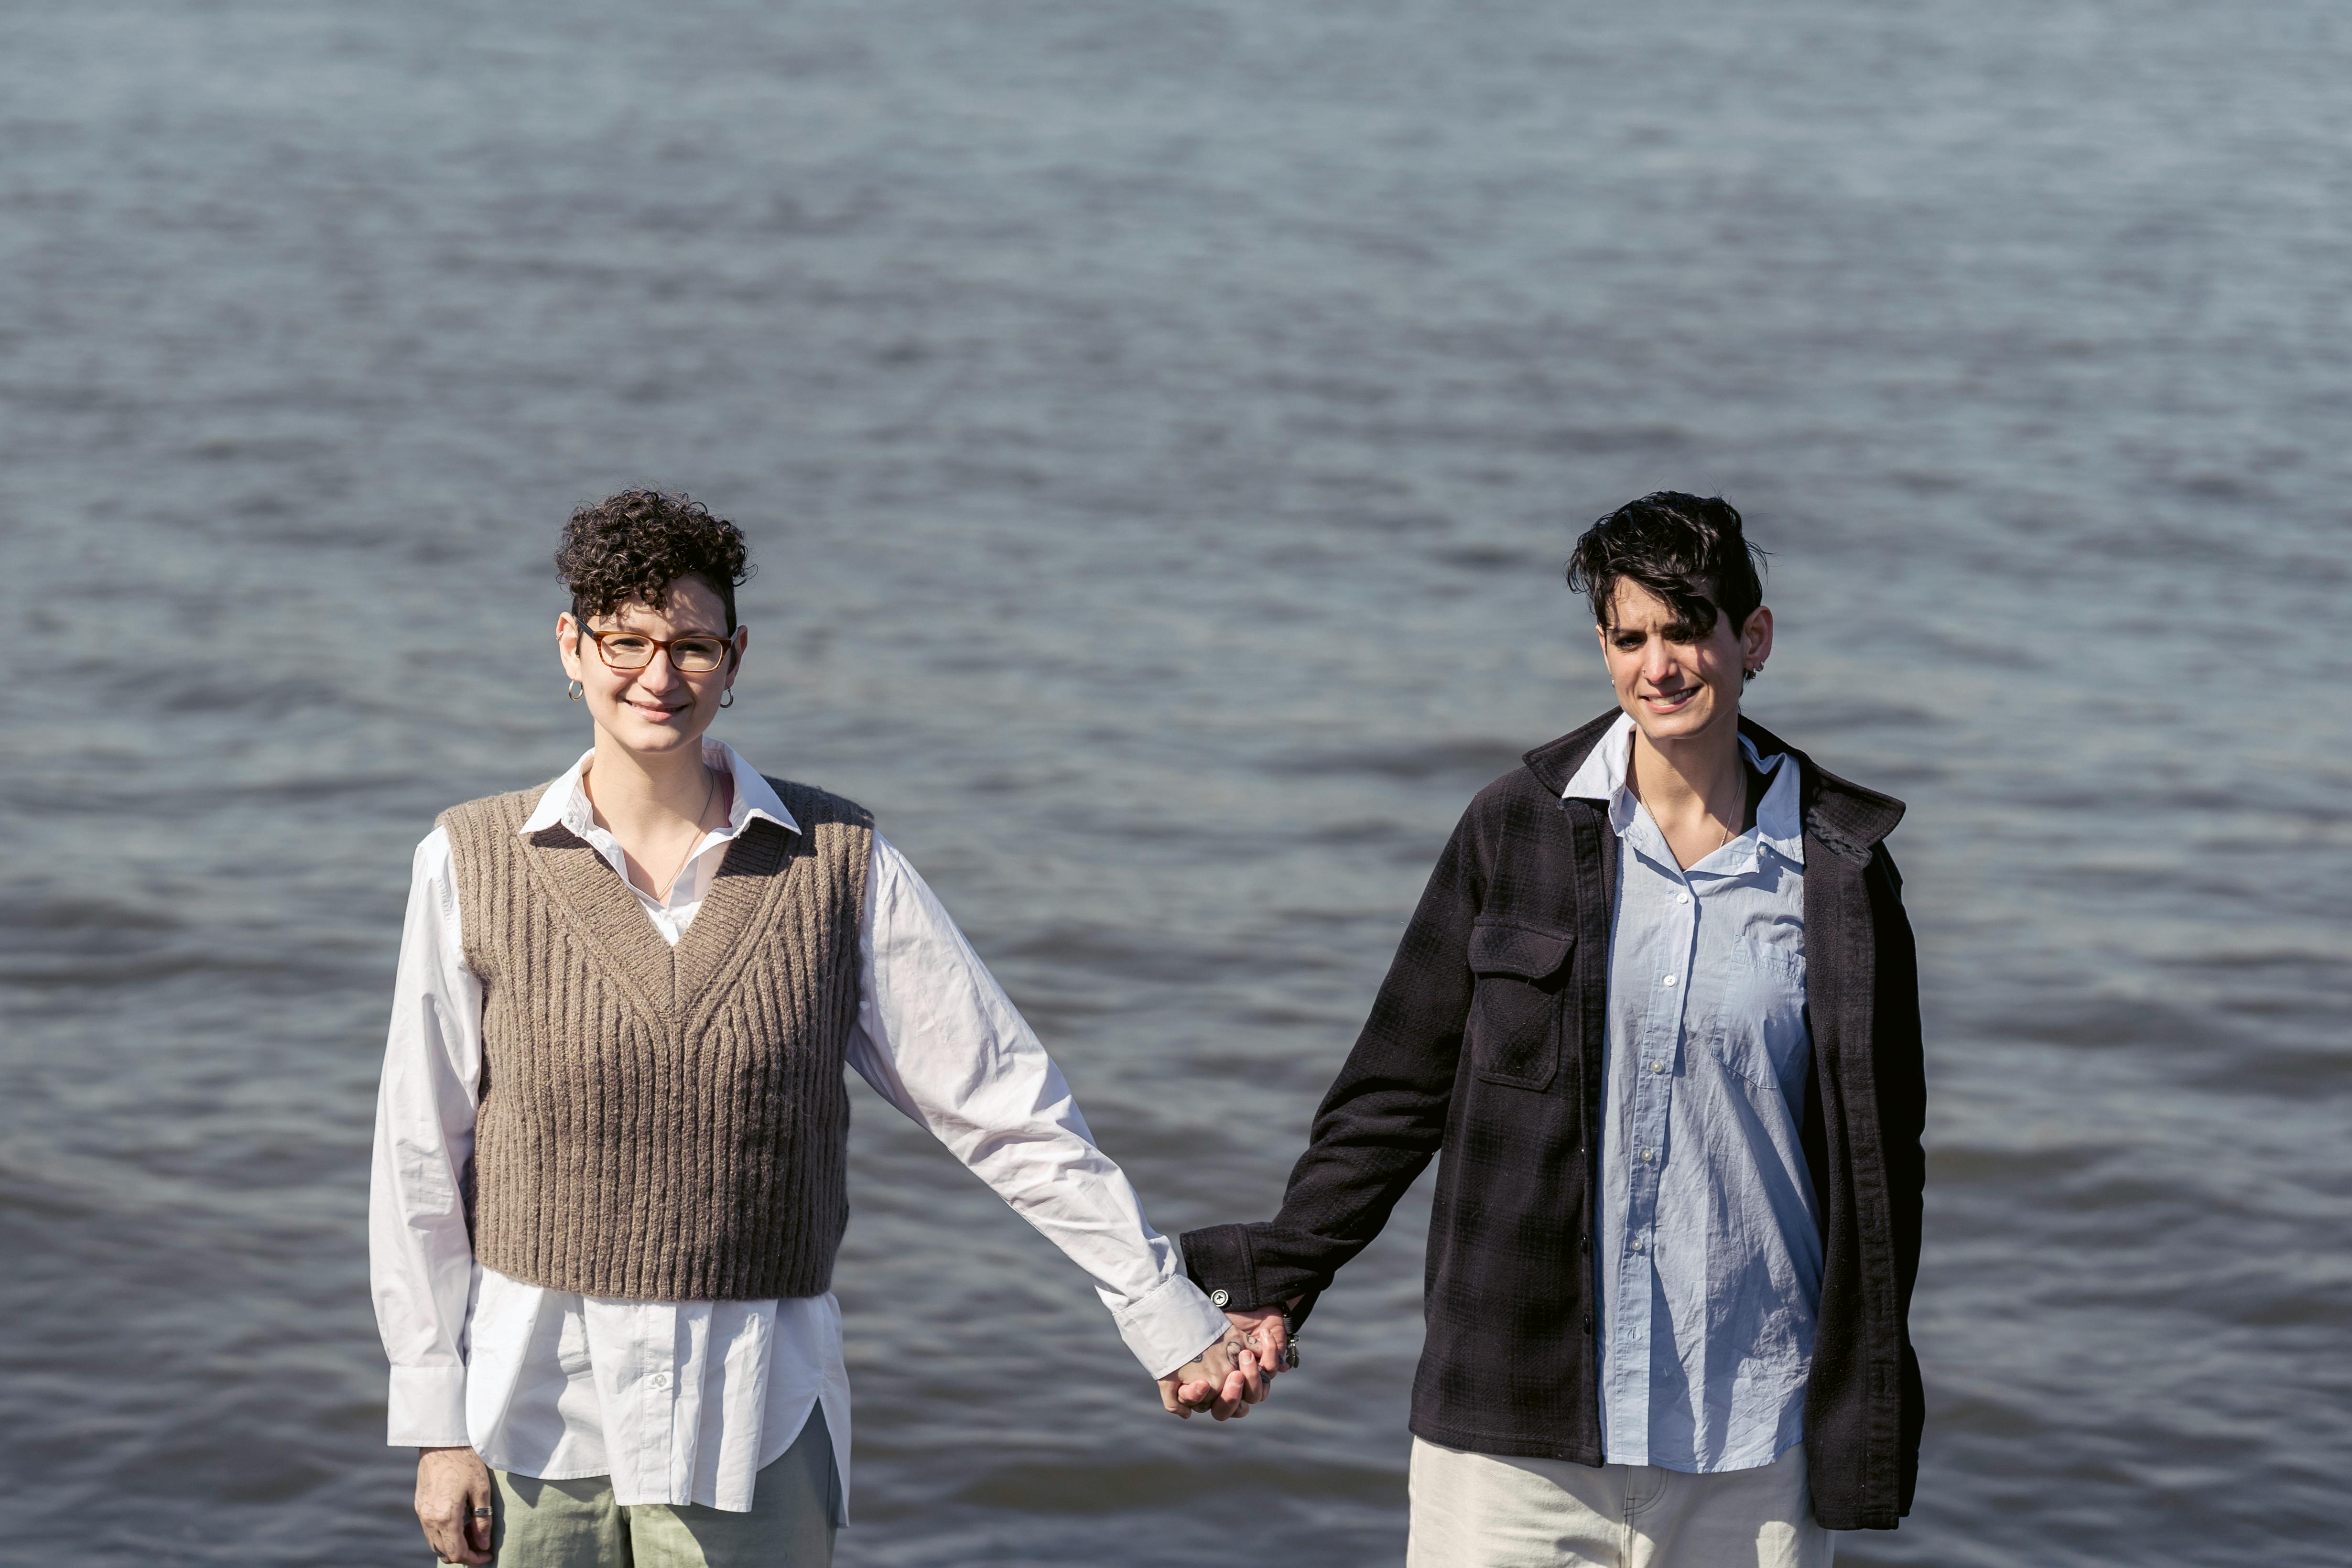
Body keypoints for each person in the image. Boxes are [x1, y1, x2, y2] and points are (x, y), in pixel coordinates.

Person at [370, 490, 1270, 1568]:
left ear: (736, 657)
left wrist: (1163, 1311)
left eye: (693, 646)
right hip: (530, 1416)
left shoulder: (838, 865)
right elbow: (421, 1158)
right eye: (626, 641)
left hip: (752, 1415)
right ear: (571, 645)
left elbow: (1002, 1108)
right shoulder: (470, 862)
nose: (659, 677)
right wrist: (435, 1425)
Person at [1184, 493, 1924, 1565]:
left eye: (1687, 628)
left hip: (1753, 1441)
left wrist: (1865, 1404)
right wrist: (1276, 1284)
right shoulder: (1513, 828)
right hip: (1513, 1433)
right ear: (1603, 647)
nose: (1659, 665)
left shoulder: (1840, 868)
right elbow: (1395, 1093)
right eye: (1630, 637)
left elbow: (1881, 1160)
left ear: (1750, 639)